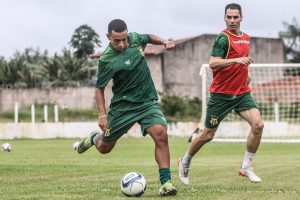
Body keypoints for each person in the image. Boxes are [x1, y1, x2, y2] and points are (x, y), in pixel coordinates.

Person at [76, 19, 177, 196]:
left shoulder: (135, 39)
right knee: (104, 148)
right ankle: (94, 138)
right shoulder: (107, 60)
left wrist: (163, 41)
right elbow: (99, 88)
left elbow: (149, 37)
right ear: (108, 37)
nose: (122, 44)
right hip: (122, 107)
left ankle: (166, 183)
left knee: (161, 133)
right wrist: (102, 115)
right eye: (117, 41)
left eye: (124, 39)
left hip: (146, 102)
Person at [178, 3, 264, 185]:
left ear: (242, 18)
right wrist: (237, 60)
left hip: (241, 93)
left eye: (235, 17)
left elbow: (241, 65)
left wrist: (245, 76)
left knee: (258, 125)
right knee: (208, 135)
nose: (232, 20)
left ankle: (246, 166)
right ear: (224, 18)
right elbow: (213, 63)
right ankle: (184, 161)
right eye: (229, 17)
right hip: (221, 95)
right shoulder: (222, 39)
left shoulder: (246, 38)